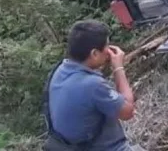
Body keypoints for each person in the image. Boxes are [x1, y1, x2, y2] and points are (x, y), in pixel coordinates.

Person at [44, 20, 137, 151]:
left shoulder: (59, 71)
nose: (108, 51)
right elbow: (128, 112)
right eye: (107, 46)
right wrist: (118, 68)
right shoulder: (91, 85)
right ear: (94, 54)